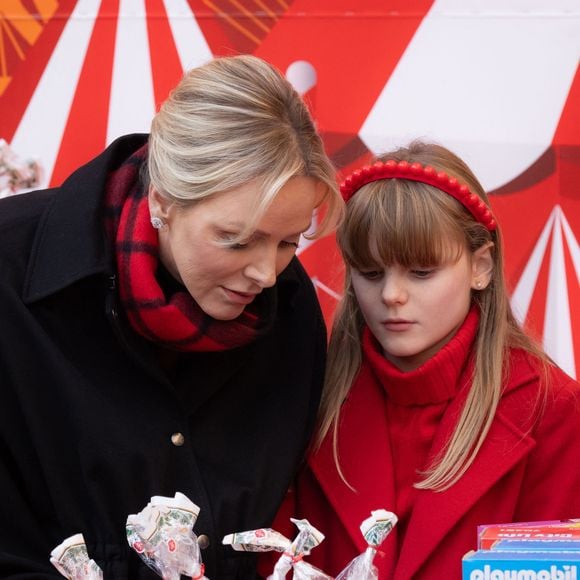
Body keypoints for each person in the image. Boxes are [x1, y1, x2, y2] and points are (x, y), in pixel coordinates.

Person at [0, 55, 343, 578]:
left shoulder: (290, 309)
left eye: (287, 243)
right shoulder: (10, 276)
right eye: (237, 239)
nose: (266, 274)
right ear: (164, 199)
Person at [273, 141, 580, 579]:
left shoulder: (552, 410)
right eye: (371, 272)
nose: (392, 295)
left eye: (421, 272)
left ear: (482, 266)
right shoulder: (313, 399)